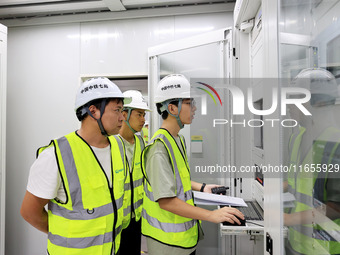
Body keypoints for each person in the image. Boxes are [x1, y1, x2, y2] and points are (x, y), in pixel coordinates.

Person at [20, 77, 130, 255]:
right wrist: (64, 234)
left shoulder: (118, 146)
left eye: (122, 110)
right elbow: (29, 212)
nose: (122, 117)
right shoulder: (56, 156)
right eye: (117, 110)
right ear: (93, 111)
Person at [141, 74, 244, 255]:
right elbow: (166, 201)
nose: (195, 108)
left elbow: (177, 181)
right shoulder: (158, 148)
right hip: (167, 244)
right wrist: (212, 215)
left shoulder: (177, 139)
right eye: (189, 103)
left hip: (183, 239)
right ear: (172, 108)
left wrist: (202, 187)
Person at [284, 68, 340, 255]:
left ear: (315, 102)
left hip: (325, 248)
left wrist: (286, 219)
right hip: (296, 242)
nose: (289, 106)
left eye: (296, 100)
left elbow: (336, 207)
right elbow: (297, 182)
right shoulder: (298, 137)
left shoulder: (335, 144)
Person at [117, 90, 150, 254]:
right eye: (139, 114)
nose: (144, 120)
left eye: (144, 114)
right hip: (115, 222)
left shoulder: (141, 142)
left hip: (136, 219)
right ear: (124, 114)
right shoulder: (111, 144)